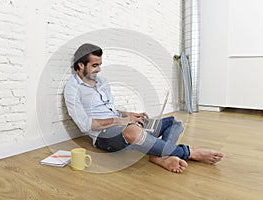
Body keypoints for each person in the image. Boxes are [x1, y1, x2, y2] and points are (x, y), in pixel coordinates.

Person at [64, 43, 223, 173]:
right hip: (103, 135)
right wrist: (124, 121)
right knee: (134, 131)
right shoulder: (72, 89)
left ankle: (159, 157)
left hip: (122, 123)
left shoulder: (102, 82)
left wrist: (130, 114)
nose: (99, 69)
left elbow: (111, 109)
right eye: (94, 65)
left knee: (175, 122)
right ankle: (189, 153)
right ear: (80, 65)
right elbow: (85, 125)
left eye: (100, 64)